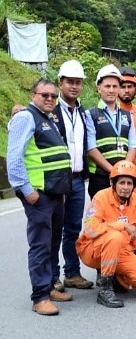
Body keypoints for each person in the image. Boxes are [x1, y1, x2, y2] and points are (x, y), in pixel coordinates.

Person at [7, 79, 74, 315]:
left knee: (53, 243)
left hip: (55, 195)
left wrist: (61, 191)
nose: (49, 99)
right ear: (33, 95)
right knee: (40, 246)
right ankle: (40, 297)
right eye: (44, 95)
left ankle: (50, 285)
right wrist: (27, 190)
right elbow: (14, 158)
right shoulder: (26, 117)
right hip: (40, 196)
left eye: (53, 96)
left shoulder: (48, 119)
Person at [77, 161, 136, 308]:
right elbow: (90, 229)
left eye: (129, 184)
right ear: (113, 183)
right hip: (93, 250)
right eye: (122, 183)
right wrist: (121, 225)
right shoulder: (101, 197)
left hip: (121, 251)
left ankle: (116, 277)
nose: (125, 188)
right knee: (115, 236)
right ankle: (105, 289)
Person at [51, 60, 93, 291]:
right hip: (57, 180)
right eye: (70, 82)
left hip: (77, 180)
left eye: (78, 83)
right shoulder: (50, 108)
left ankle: (72, 273)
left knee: (73, 228)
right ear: (61, 83)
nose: (74, 87)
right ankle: (52, 276)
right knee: (54, 228)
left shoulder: (82, 111)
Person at [86, 64, 136, 199]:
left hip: (123, 178)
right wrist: (113, 170)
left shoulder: (127, 115)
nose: (111, 90)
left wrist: (124, 169)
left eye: (115, 86)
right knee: (99, 216)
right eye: (107, 86)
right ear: (99, 88)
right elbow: (91, 148)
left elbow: (133, 145)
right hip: (100, 176)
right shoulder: (90, 114)